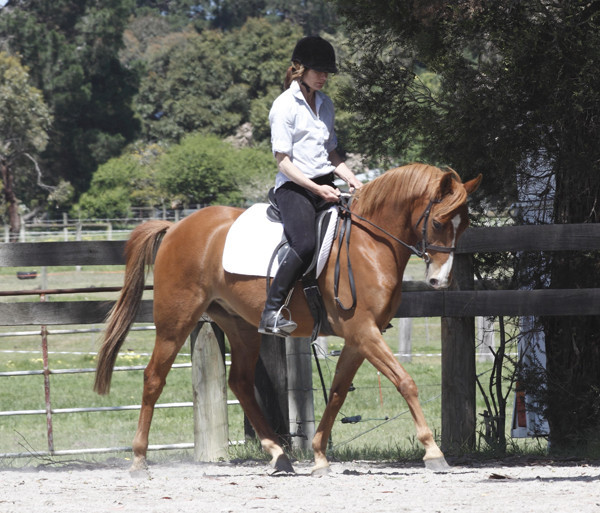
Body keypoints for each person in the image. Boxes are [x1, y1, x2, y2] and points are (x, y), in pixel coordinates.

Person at [258, 35, 363, 337]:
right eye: (318, 71)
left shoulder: (326, 104)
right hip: (295, 187)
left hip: (326, 184)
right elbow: (283, 161)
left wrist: (353, 179)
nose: (324, 77)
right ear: (299, 69)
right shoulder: (283, 106)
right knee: (304, 244)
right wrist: (317, 190)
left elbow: (331, 154)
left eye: (327, 72)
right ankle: (271, 312)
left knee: (355, 234)